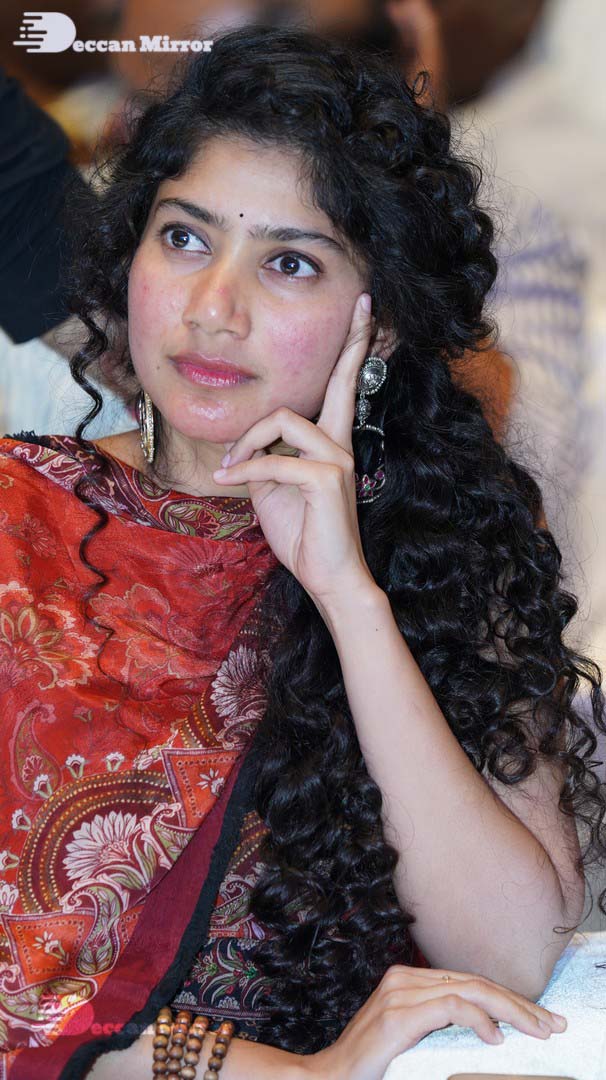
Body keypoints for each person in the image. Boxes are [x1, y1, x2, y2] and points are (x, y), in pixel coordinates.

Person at [0, 23, 603, 1080]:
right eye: (183, 239)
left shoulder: (441, 549)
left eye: (289, 262)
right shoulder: (20, 518)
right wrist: (277, 1073)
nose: (212, 309)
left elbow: (511, 955)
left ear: (383, 326)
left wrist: (346, 596)